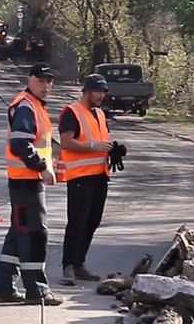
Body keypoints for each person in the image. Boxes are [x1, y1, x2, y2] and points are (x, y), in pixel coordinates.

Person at [0, 62, 62, 306]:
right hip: (26, 184)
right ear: (30, 79)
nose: (46, 85)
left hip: (24, 184)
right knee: (34, 234)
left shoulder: (34, 106)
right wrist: (41, 168)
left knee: (18, 235)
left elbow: (38, 141)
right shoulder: (26, 105)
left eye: (49, 81)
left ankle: (3, 289)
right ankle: (37, 291)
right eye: (41, 80)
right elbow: (20, 145)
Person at [56, 73, 114, 285]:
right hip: (80, 177)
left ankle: (80, 263)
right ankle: (68, 267)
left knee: (92, 221)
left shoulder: (99, 114)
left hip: (100, 175)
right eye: (98, 91)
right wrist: (92, 147)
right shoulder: (71, 112)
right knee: (77, 222)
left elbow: (102, 140)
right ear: (87, 91)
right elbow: (66, 142)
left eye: (103, 92)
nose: (101, 95)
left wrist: (113, 150)